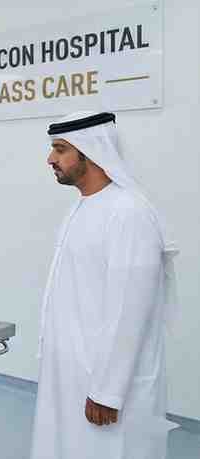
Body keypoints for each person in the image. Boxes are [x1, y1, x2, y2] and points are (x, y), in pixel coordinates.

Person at [31, 111, 179, 459]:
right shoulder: (82, 208)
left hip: (105, 384)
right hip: (73, 372)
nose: (50, 159)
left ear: (91, 151)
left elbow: (131, 308)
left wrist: (108, 390)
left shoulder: (129, 212)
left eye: (60, 149)